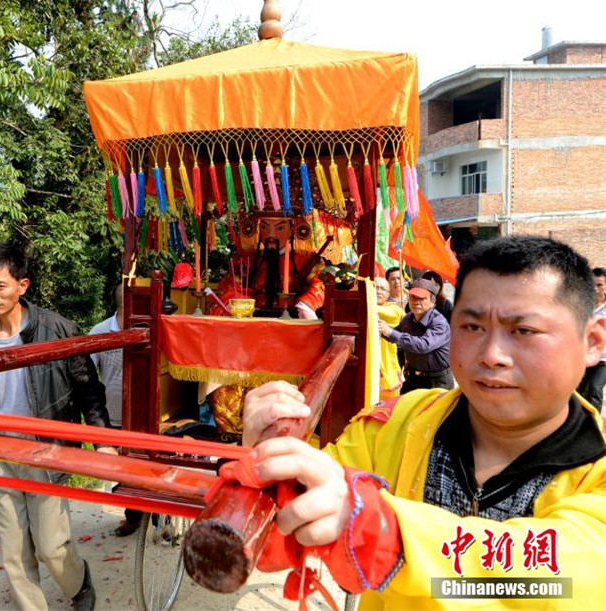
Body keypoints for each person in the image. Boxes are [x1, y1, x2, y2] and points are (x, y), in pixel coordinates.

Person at [240, 236, 606, 609]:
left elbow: (563, 573)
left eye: (524, 331)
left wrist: (381, 529)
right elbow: (287, 528)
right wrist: (269, 464)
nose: (493, 355)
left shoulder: (599, 471)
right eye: (473, 327)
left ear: (592, 342)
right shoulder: (401, 421)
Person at [0, 242, 112, 611]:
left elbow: (88, 387)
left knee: (51, 548)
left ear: (22, 285)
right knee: (14, 551)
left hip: (46, 448)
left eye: (0, 286)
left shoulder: (58, 329)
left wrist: (102, 441)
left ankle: (78, 584)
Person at [88, 284, 142, 537]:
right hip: (113, 412)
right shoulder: (100, 332)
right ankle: (134, 513)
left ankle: (144, 513)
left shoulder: (147, 330)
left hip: (143, 413)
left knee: (141, 466)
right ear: (124, 307)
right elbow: (86, 375)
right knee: (122, 468)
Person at [378, 277, 453, 392]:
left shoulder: (439, 322)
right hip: (413, 378)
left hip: (437, 382)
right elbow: (396, 334)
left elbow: (423, 345)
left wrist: (390, 332)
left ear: (433, 302)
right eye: (413, 297)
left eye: (421, 298)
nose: (415, 301)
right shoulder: (409, 318)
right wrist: (380, 329)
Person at [578, 266, 606, 411]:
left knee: (594, 389)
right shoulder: (583, 306)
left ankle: (594, 427)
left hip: (603, 359)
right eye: (593, 284)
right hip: (583, 356)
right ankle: (576, 425)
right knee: (576, 390)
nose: (595, 288)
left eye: (599, 285)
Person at [374, 276, 405, 400]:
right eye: (375, 287)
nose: (378, 291)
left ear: (388, 294)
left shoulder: (394, 310)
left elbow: (379, 311)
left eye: (383, 289)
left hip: (386, 365)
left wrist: (364, 302)